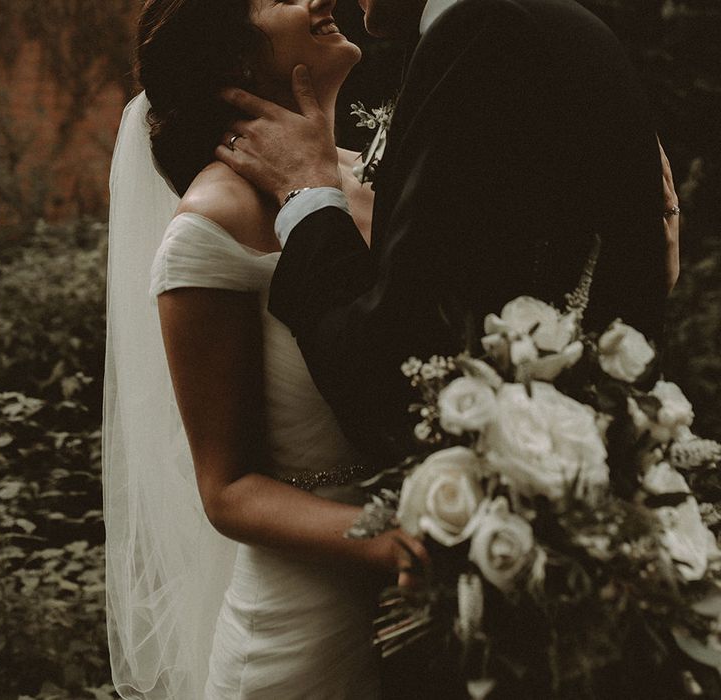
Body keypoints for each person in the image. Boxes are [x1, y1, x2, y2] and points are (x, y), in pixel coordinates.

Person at [103, 0, 426, 698]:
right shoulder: (213, 223)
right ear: (237, 62)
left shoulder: (382, 179)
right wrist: (400, 541)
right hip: (305, 638)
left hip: (434, 622)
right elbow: (229, 490)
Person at [218, 0, 681, 469]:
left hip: (515, 487)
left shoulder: (485, 36)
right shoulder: (539, 25)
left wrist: (306, 194)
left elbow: (397, 379)